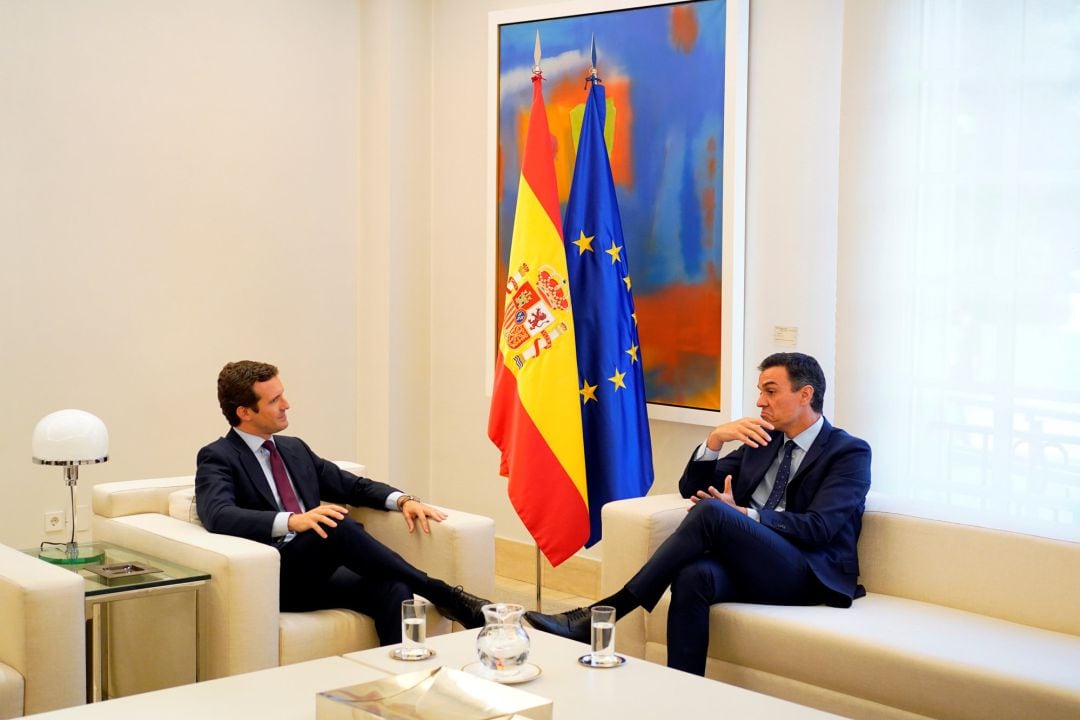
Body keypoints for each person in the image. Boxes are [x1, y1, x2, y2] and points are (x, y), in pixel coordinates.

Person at [525, 352, 871, 675]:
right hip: (761, 565)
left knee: (713, 512)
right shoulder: (763, 441)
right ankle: (683, 694)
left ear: (805, 394)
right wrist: (715, 441)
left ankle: (602, 614)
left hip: (809, 573)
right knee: (693, 576)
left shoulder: (848, 452)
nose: (759, 402)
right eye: (759, 392)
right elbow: (690, 488)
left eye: (770, 391)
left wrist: (745, 515)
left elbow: (820, 528)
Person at [195, 360, 490, 645]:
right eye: (274, 400)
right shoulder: (218, 456)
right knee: (333, 522)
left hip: (319, 573)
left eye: (282, 394)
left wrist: (402, 500)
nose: (286, 404)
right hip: (276, 577)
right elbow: (218, 514)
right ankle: (444, 595)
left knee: (394, 589)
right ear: (245, 412)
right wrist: (292, 520)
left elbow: (352, 486)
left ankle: (397, 681)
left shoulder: (293, 449)